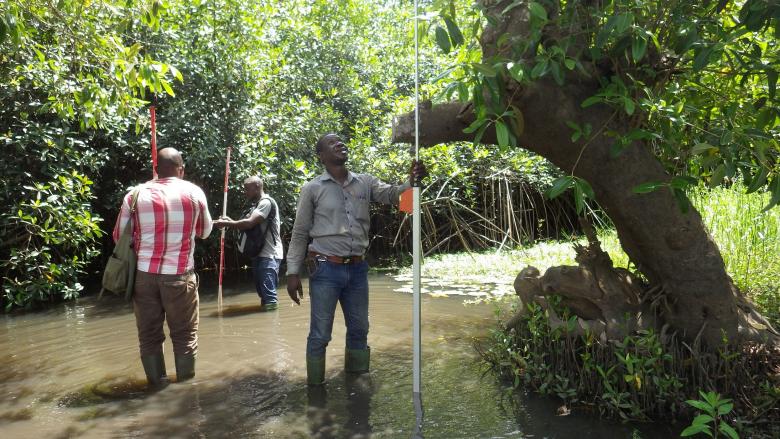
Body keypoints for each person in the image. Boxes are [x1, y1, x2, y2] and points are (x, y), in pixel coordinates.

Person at [286, 133, 426, 385]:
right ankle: (315, 392)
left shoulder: (365, 182)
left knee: (360, 329)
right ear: (322, 156)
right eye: (332, 143)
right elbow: (300, 232)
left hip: (358, 268)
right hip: (325, 268)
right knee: (320, 335)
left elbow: (399, 198)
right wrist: (292, 273)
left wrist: (413, 182)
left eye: (341, 141)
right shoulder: (312, 188)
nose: (340, 144)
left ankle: (358, 387)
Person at [112, 147, 213, 387]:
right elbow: (205, 232)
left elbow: (119, 237)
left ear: (156, 170)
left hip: (144, 277)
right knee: (185, 336)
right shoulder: (193, 193)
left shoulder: (135, 195)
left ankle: (157, 387)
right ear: (182, 170)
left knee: (148, 336)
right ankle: (186, 391)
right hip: (179, 276)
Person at [213, 176, 283, 311]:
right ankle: (266, 322)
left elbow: (249, 223)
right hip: (259, 254)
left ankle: (272, 326)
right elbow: (247, 225)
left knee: (269, 296)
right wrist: (229, 221)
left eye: (247, 189)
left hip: (270, 255)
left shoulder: (266, 203)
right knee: (263, 294)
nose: (245, 193)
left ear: (257, 187)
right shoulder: (256, 205)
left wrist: (226, 223)